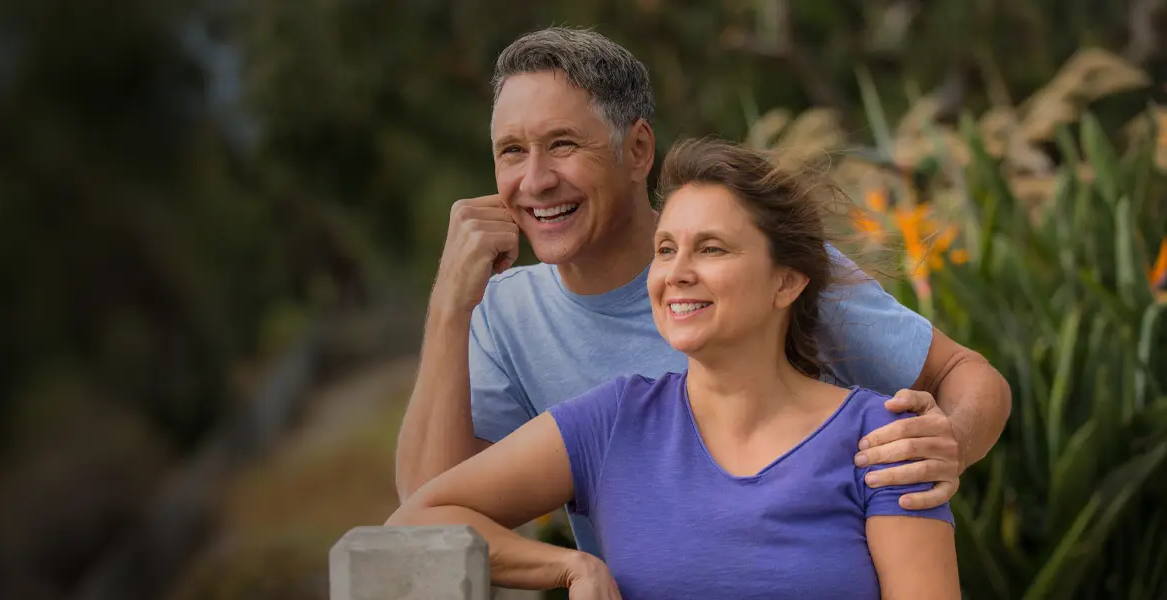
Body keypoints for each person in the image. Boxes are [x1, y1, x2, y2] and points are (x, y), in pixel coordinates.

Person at [394, 26, 1012, 556]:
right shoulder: (506, 314)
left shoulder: (763, 271)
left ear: (637, 149)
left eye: (562, 145)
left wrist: (948, 446)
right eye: (511, 152)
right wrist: (451, 303)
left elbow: (966, 373)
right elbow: (433, 509)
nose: (535, 180)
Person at [388, 137, 960, 599]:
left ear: (785, 281)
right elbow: (420, 516)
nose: (675, 273)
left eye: (711, 248)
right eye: (666, 249)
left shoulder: (881, 441)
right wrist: (569, 567)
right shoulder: (613, 422)